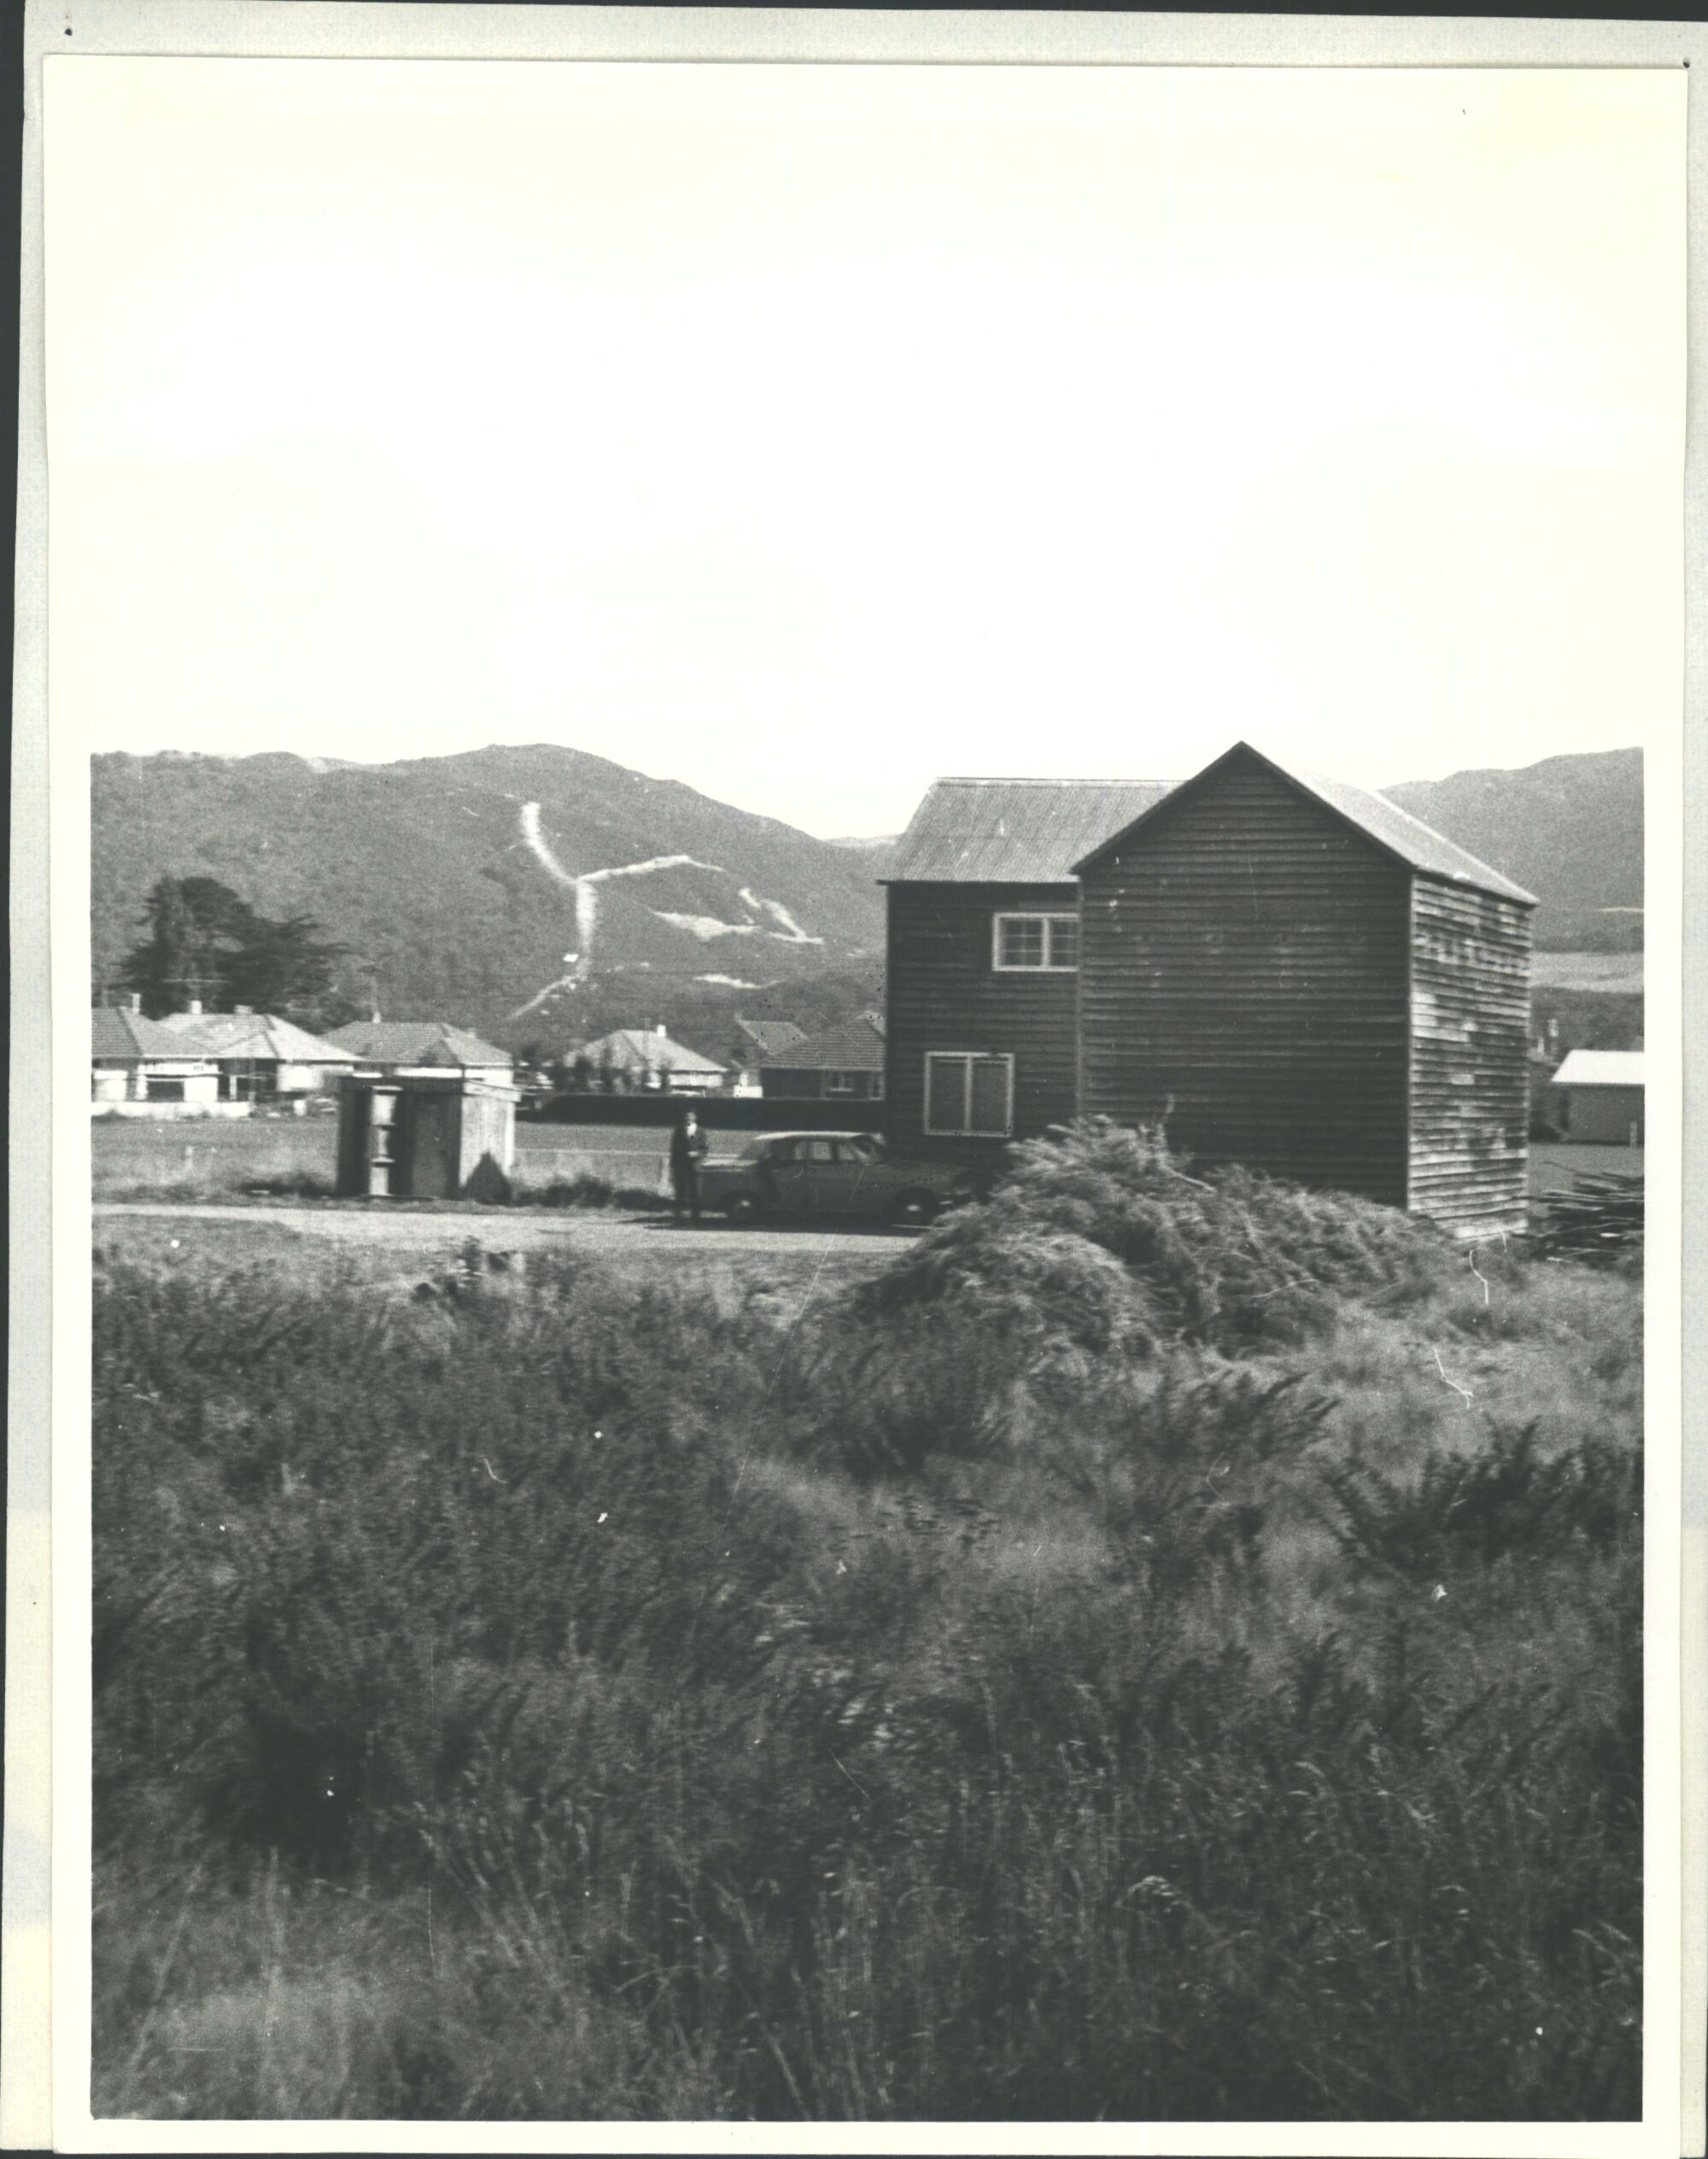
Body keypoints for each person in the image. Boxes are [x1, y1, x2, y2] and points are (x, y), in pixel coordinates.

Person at [669, 1103, 709, 1223]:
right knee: (680, 1194)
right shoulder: (678, 1131)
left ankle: (695, 1219)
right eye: (686, 1116)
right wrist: (672, 1167)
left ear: (695, 1117)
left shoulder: (701, 1131)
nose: (688, 1118)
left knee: (696, 1194)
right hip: (681, 1167)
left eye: (690, 1116)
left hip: (695, 1167)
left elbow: (705, 1149)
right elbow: (674, 1149)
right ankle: (678, 1218)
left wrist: (697, 1154)